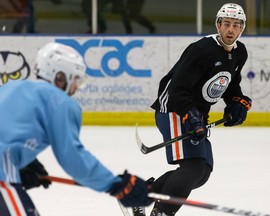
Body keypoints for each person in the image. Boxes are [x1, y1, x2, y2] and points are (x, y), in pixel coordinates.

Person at [0, 42, 152, 215]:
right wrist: (117, 185)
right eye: (75, 80)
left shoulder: (10, 87)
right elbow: (72, 156)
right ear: (59, 77)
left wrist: (24, 164)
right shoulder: (59, 101)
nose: (75, 88)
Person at [133, 3, 252, 216]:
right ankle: (161, 212)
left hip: (194, 112)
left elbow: (230, 85)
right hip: (173, 108)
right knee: (193, 168)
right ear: (218, 24)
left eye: (236, 25)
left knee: (202, 171)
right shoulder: (201, 50)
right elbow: (178, 89)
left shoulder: (240, 52)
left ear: (242, 28)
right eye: (226, 24)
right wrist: (191, 116)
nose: (231, 30)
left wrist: (237, 101)